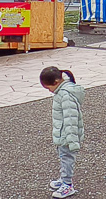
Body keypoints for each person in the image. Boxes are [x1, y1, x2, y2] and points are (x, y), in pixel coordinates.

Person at [41, 66, 85, 199]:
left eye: (49, 88)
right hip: (63, 133)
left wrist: (72, 140)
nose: (49, 91)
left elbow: (71, 119)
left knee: (66, 159)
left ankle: (67, 184)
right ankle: (64, 179)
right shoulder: (62, 92)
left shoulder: (65, 95)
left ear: (55, 82)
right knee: (63, 157)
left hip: (67, 135)